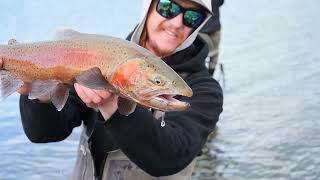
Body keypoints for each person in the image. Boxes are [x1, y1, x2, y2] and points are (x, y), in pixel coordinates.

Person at [0, 0, 223, 179]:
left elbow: (169, 156)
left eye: (192, 17)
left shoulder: (205, 91)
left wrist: (110, 105)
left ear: (198, 27)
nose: (176, 23)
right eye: (168, 7)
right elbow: (45, 133)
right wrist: (41, 95)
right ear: (148, 8)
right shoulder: (98, 58)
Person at [199, 0, 224, 75]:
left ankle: (204, 76)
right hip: (215, 28)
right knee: (215, 54)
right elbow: (221, 3)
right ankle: (210, 75)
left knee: (200, 53)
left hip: (202, 29)